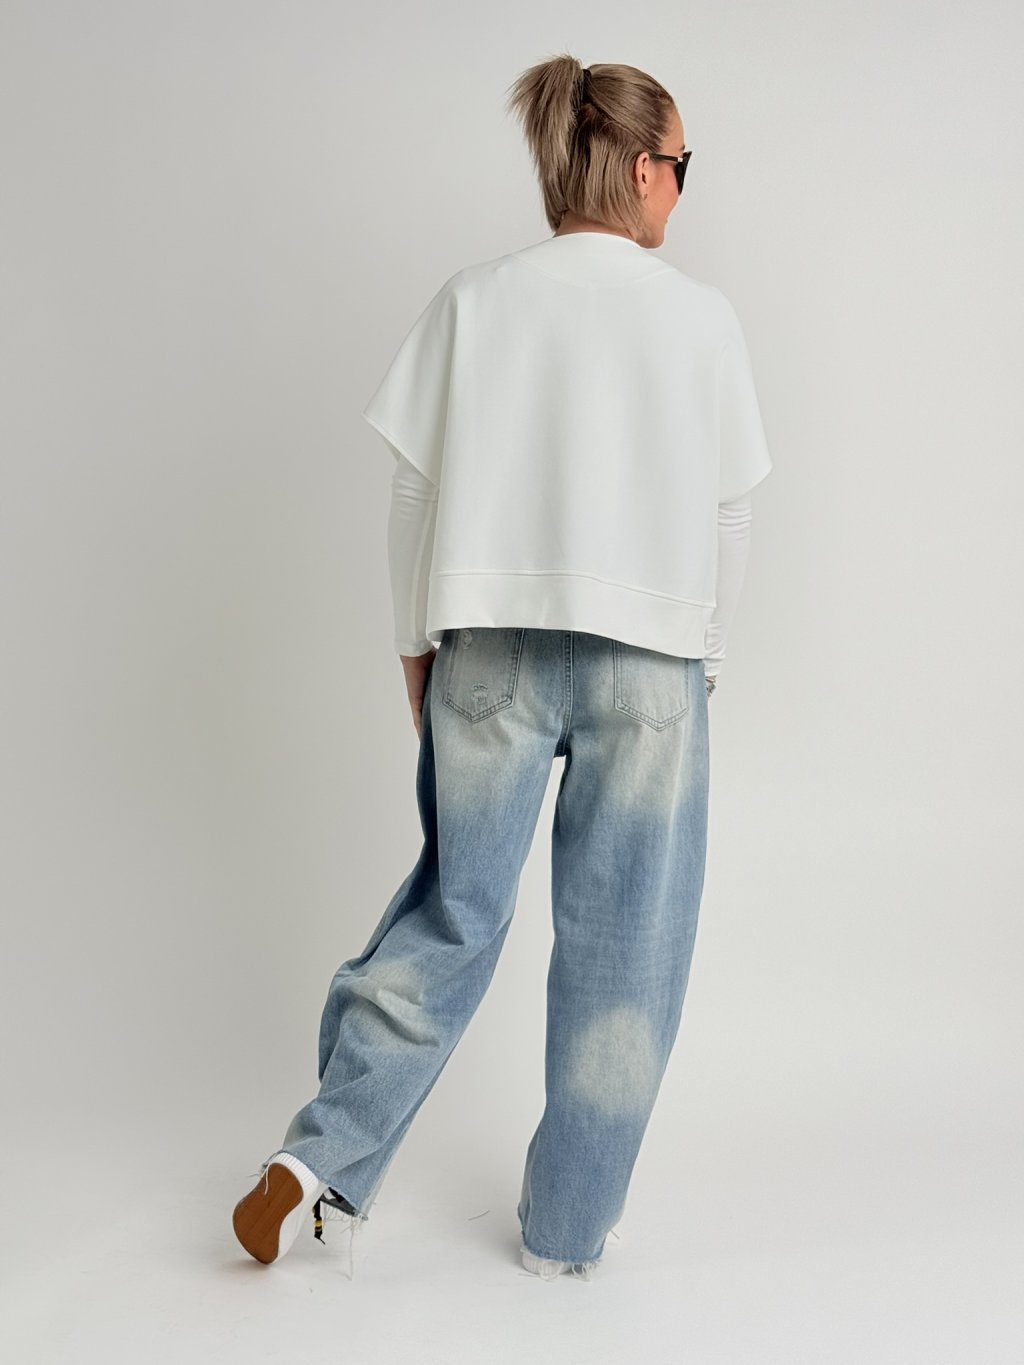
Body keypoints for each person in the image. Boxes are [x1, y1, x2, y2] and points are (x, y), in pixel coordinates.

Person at [232, 53, 773, 1282]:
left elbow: (412, 493)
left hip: (488, 646)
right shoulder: (700, 318)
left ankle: (319, 1161)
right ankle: (564, 1236)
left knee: (453, 912)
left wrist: (415, 646)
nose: (681, 189)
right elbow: (730, 517)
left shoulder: (475, 301)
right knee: (625, 948)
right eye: (681, 166)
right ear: (642, 170)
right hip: (651, 665)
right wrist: (703, 661)